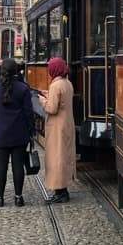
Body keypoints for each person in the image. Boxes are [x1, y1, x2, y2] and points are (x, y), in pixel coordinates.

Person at [0, 58, 34, 207]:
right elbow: (28, 112)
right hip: (19, 132)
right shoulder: (23, 88)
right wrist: (31, 130)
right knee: (18, 165)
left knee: (1, 166)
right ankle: (18, 197)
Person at [38, 57, 76, 204]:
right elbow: (62, 102)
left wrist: (42, 100)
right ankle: (63, 189)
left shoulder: (55, 85)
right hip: (66, 124)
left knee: (56, 158)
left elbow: (51, 108)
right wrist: (49, 95)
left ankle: (60, 192)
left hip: (57, 127)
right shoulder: (67, 83)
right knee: (64, 157)